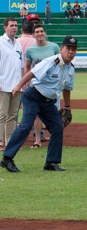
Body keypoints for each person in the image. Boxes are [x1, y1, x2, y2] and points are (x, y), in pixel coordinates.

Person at [1, 35, 78, 173]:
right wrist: (18, 86)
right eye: (68, 48)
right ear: (61, 49)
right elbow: (32, 73)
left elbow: (67, 88)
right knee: (25, 126)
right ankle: (7, 159)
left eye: (73, 49)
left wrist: (67, 107)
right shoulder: (51, 62)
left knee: (57, 128)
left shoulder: (71, 68)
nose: (71, 52)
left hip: (49, 102)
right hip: (33, 96)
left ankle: (51, 162)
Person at [25, 23, 60, 148]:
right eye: (37, 32)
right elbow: (28, 66)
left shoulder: (54, 47)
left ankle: (55, 139)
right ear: (33, 35)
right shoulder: (30, 50)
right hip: (38, 86)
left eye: (41, 31)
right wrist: (28, 81)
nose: (40, 34)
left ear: (45, 33)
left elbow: (60, 64)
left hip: (53, 86)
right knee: (38, 115)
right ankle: (37, 140)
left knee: (54, 112)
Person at [0, 18, 24, 151]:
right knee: (1, 115)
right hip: (3, 84)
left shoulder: (18, 44)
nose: (14, 27)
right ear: (5, 27)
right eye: (11, 25)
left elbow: (21, 66)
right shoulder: (0, 42)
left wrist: (21, 84)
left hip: (16, 86)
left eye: (15, 25)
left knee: (12, 116)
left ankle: (9, 142)